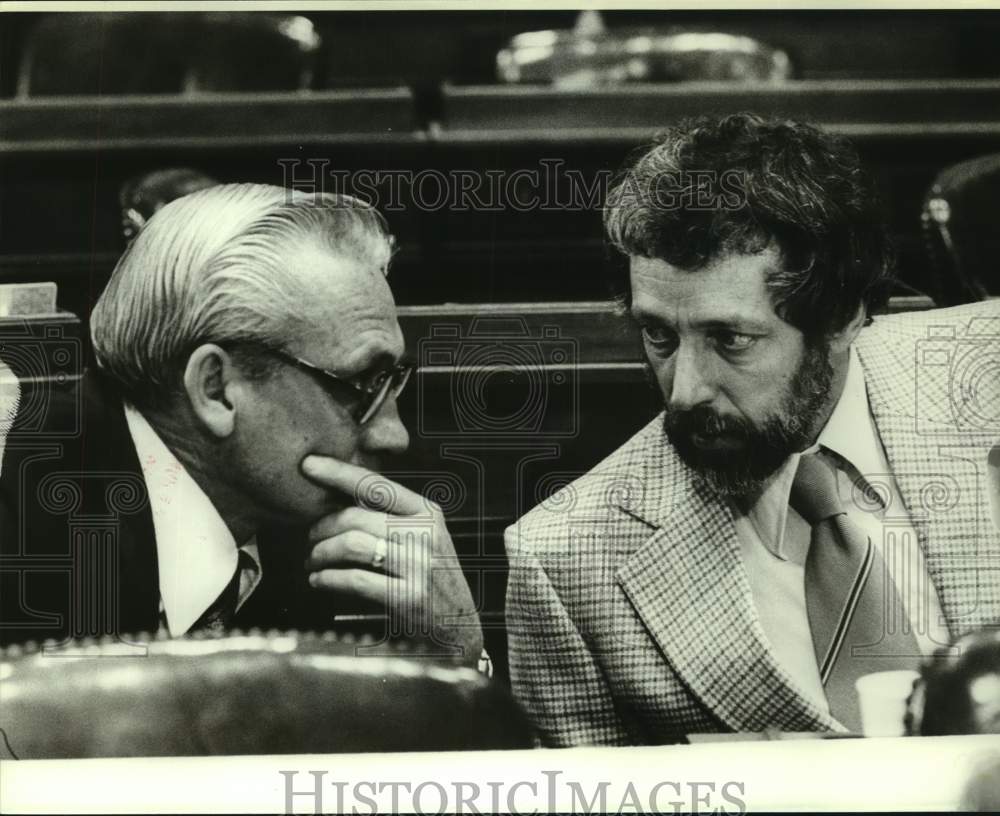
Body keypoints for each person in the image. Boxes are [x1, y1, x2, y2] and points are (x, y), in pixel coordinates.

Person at [505, 113, 1000, 745]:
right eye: (658, 336)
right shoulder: (568, 560)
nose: (683, 392)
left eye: (730, 339)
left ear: (844, 317)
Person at [0, 184, 484, 666]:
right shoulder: (18, 505)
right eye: (361, 383)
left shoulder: (307, 517)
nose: (394, 435)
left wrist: (457, 662)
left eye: (390, 382)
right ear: (215, 389)